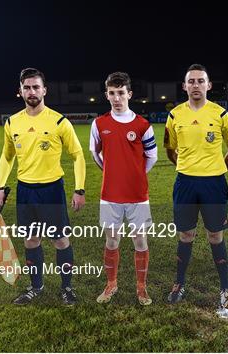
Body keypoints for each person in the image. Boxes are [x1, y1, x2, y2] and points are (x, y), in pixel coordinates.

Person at [0, 68, 86, 306]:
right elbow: (7, 157)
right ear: (20, 91)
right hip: (25, 191)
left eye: (36, 87)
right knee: (31, 241)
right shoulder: (12, 122)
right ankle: (36, 287)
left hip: (52, 190)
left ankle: (67, 287)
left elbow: (77, 155)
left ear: (44, 90)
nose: (32, 91)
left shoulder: (59, 121)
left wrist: (79, 189)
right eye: (27, 87)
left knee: (60, 241)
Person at [163, 64, 228, 304]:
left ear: (209, 85)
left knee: (215, 235)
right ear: (184, 86)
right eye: (191, 81)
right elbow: (170, 149)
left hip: (214, 184)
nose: (196, 85)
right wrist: (185, 167)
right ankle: (179, 284)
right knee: (186, 235)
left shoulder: (221, 114)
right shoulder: (175, 115)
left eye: (200, 81)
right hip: (185, 183)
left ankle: (225, 288)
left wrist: (221, 168)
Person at [89, 72, 157, 306]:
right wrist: (112, 173)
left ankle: (141, 288)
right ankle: (111, 284)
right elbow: (95, 155)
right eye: (112, 93)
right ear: (106, 95)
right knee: (112, 241)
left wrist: (135, 175)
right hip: (110, 194)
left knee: (140, 242)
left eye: (121, 93)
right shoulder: (99, 124)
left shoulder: (142, 124)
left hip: (138, 195)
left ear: (129, 94)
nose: (117, 98)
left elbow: (152, 156)